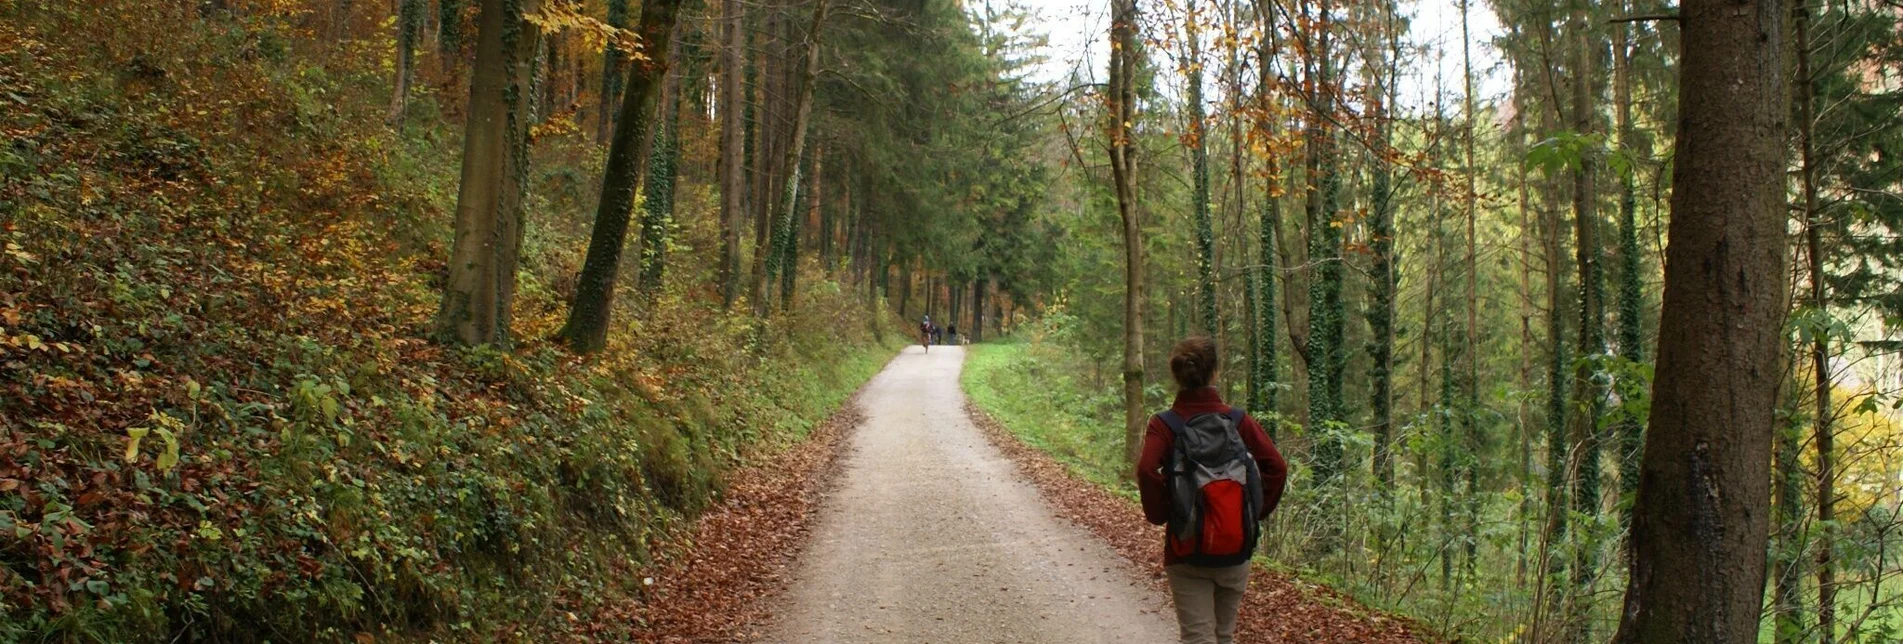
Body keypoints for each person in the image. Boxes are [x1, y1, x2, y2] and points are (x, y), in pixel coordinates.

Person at [1136, 336, 1287, 644]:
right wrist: (1251, 513)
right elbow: (1277, 467)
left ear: (1177, 375)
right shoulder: (1237, 420)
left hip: (1185, 551)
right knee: (1223, 635)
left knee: (1197, 638)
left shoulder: (1165, 424)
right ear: (1215, 373)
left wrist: (1165, 513)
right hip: (1235, 549)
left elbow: (1146, 470)